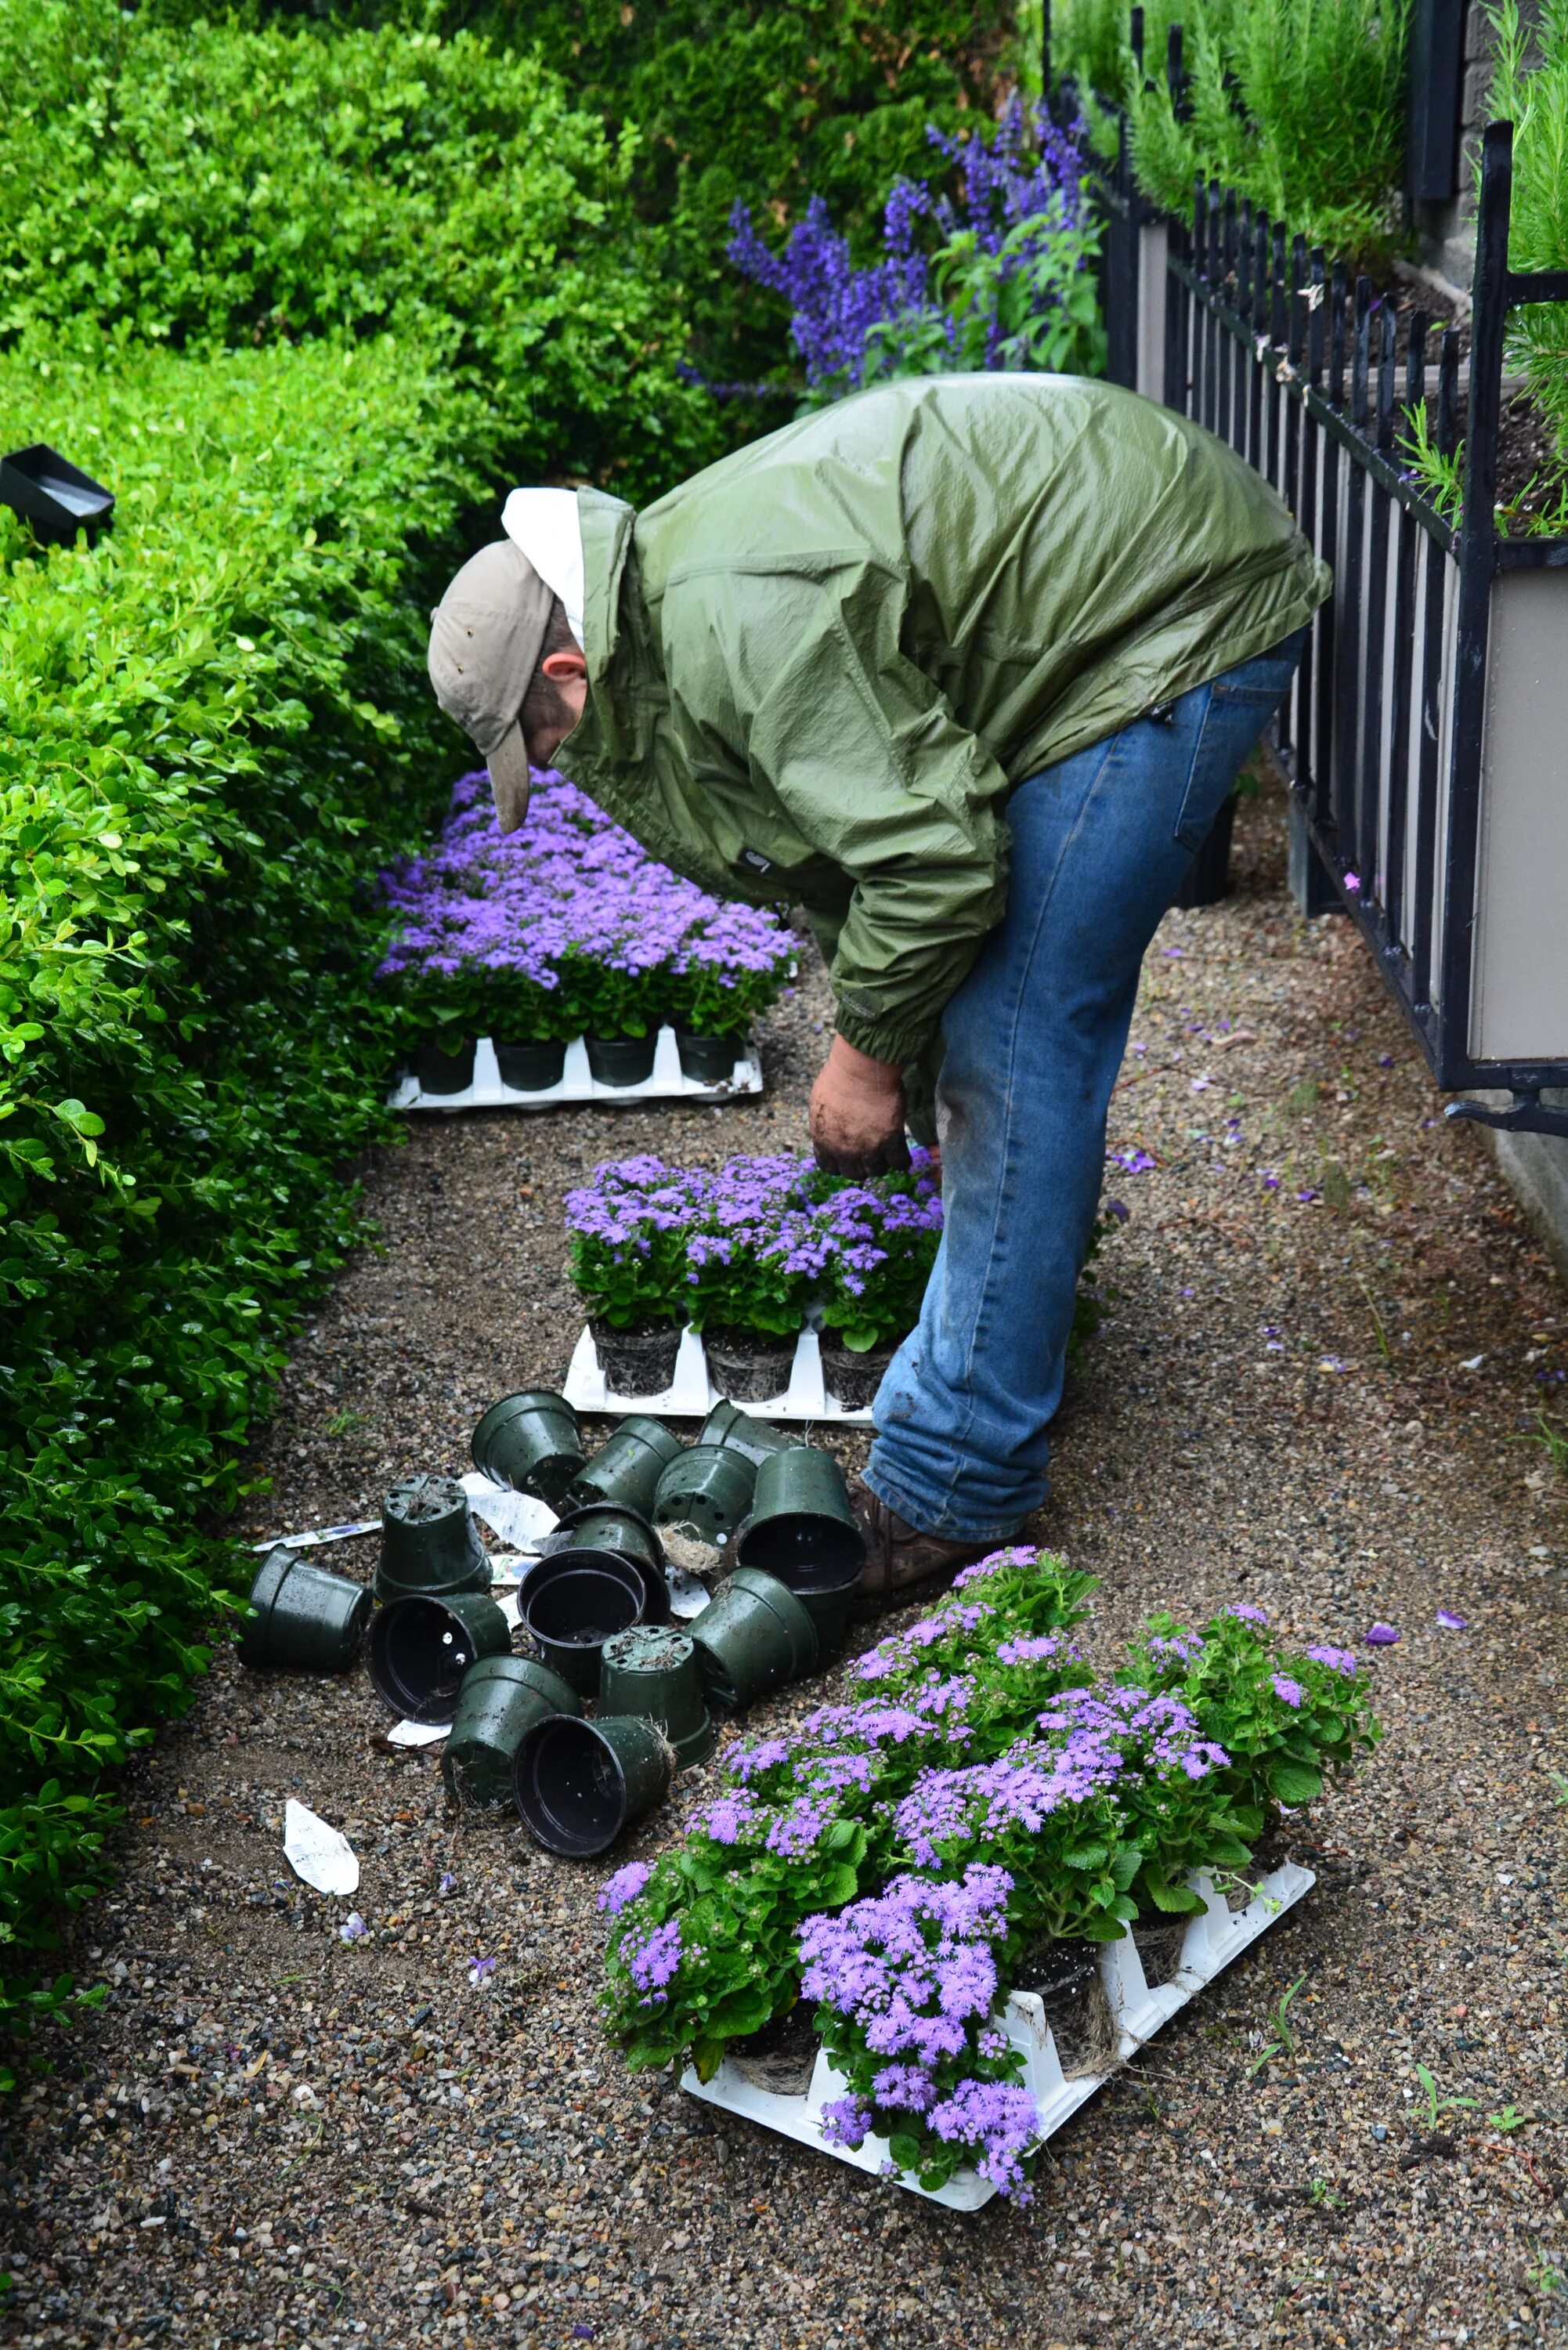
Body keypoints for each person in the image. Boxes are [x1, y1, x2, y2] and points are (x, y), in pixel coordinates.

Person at [427, 373, 1329, 1602]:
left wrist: (864, 1053)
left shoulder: (738, 624)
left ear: (572, 669)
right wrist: (890, 1031)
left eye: (539, 739)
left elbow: (934, 857)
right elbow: (852, 841)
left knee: (1014, 1046)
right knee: (974, 1035)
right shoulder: (667, 610)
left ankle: (953, 1489)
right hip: (1119, 579)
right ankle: (1004, 1322)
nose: (555, 766)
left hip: (1162, 613)